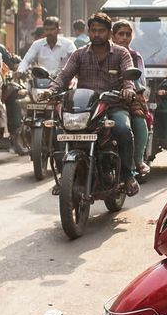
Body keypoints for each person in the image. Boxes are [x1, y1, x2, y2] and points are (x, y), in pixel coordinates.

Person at [50, 12, 140, 196]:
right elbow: (64, 75)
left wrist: (128, 89)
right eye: (93, 30)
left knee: (123, 129)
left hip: (113, 105)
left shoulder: (121, 53)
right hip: (84, 108)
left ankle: (128, 175)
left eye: (101, 31)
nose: (97, 34)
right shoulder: (79, 54)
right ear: (88, 32)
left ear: (109, 33)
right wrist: (50, 90)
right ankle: (64, 175)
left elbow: (128, 77)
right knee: (57, 131)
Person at [112, 19, 151, 178]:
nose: (124, 37)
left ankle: (138, 160)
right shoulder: (105, 52)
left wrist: (132, 90)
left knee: (140, 122)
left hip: (129, 97)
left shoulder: (135, 56)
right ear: (113, 36)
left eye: (128, 34)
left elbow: (141, 80)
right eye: (121, 34)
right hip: (104, 96)